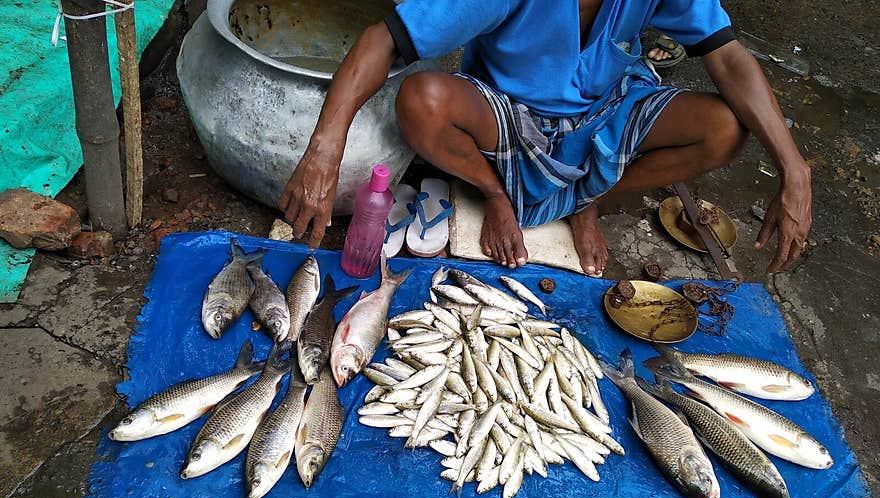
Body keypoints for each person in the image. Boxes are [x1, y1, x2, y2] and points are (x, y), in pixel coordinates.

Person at [279, 0, 811, 276]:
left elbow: (729, 58)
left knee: (723, 129)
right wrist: (326, 149)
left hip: (606, 110)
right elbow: (385, 38)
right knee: (422, 102)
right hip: (510, 116)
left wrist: (794, 169)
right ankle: (496, 192)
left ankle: (589, 200)